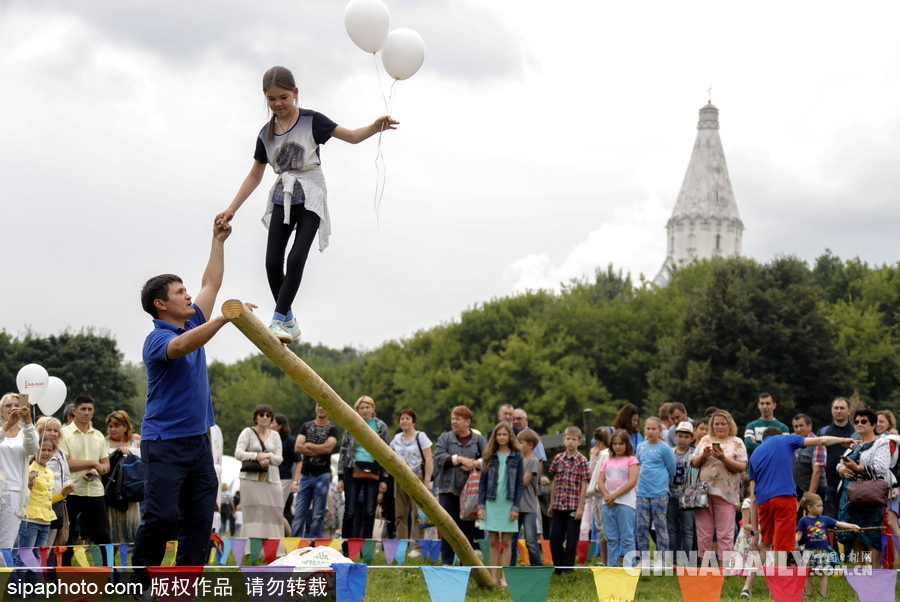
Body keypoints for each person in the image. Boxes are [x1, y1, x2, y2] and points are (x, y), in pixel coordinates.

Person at [216, 65, 398, 343]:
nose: (278, 104)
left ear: (295, 93)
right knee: (271, 262)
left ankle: (278, 320)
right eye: (271, 99)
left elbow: (349, 136)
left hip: (311, 193)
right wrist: (232, 208)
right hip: (282, 196)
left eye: (283, 97)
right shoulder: (265, 133)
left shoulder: (312, 121)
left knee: (297, 256)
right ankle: (288, 319)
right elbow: (255, 174)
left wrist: (375, 127)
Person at [133, 218, 246, 572]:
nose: (188, 296)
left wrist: (218, 241)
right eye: (179, 292)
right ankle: (139, 582)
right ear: (160, 304)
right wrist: (223, 319)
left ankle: (185, 585)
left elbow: (211, 282)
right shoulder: (157, 338)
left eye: (186, 290)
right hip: (164, 444)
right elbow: (182, 346)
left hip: (198, 444)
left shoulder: (194, 320)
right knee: (162, 517)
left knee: (200, 520)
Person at [748, 426, 855, 567]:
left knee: (765, 542)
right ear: (780, 434)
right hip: (784, 497)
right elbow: (822, 440)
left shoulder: (755, 453)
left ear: (763, 440)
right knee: (782, 546)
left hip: (763, 501)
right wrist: (842, 440)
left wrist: (755, 533)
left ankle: (747, 587)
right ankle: (777, 587)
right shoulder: (786, 439)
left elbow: (752, 497)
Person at [836, 408, 892, 567]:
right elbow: (840, 463)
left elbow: (881, 467)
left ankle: (874, 569)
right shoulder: (855, 444)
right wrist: (841, 469)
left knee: (871, 531)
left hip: (869, 495)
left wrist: (857, 468)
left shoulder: (881, 443)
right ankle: (860, 568)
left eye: (864, 421)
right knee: (856, 531)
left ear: (873, 424)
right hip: (850, 495)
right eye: (857, 421)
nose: (859, 424)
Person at [432, 405, 487, 566]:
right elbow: (439, 458)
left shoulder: (479, 440)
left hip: (470, 494)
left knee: (467, 529)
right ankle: (447, 563)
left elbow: (489, 458)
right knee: (448, 527)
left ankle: (467, 564)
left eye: (458, 419)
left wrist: (475, 463)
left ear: (468, 421)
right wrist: (460, 460)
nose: (454, 422)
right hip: (448, 490)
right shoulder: (445, 438)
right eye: (453, 418)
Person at [690, 410, 747, 561]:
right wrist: (703, 455)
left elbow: (741, 467)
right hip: (703, 493)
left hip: (726, 493)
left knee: (725, 532)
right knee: (704, 531)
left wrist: (722, 457)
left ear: (729, 425)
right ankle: (706, 566)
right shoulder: (705, 440)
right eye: (716, 424)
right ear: (712, 425)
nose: (720, 427)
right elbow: (693, 463)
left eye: (723, 423)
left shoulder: (737, 442)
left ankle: (725, 567)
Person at [60, 395, 111, 564]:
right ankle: (62, 574)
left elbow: (106, 466)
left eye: (90, 409)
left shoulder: (98, 435)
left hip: (95, 492)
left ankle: (109, 575)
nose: (86, 413)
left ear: (94, 411)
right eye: (83, 409)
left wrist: (98, 470)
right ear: (74, 411)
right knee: (67, 536)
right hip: (71, 491)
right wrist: (92, 463)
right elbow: (65, 463)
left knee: (102, 536)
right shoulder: (64, 434)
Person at [15, 438, 76, 564]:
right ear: (34, 450)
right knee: (24, 557)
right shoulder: (28, 469)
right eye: (43, 449)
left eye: (50, 450)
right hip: (30, 520)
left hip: (46, 522)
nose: (46, 453)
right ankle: (18, 584)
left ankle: (32, 584)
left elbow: (47, 500)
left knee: (38, 556)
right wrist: (29, 482)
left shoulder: (49, 472)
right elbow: (22, 496)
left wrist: (62, 493)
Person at [477, 422, 523, 586]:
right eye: (499, 434)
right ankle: (494, 577)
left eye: (505, 434)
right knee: (493, 541)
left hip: (508, 503)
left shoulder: (517, 456)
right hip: (491, 502)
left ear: (510, 436)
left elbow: (519, 484)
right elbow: (482, 483)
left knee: (508, 541)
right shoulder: (489, 455)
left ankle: (505, 578)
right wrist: (481, 506)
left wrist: (516, 507)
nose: (502, 437)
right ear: (495, 437)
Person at [337, 396, 389, 539]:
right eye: (362, 408)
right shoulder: (351, 424)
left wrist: (384, 478)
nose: (365, 410)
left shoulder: (381, 426)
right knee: (350, 512)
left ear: (373, 409)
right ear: (357, 410)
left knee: (369, 512)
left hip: (373, 470)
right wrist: (340, 477)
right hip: (352, 469)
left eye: (368, 407)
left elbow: (387, 453)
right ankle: (346, 545)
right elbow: (343, 450)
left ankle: (366, 547)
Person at [797, 492, 859, 598]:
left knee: (823, 573)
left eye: (822, 505)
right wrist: (791, 544)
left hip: (823, 551)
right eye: (819, 506)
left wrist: (852, 526)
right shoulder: (803, 521)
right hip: (808, 552)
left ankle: (823, 594)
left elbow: (839, 523)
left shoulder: (825, 519)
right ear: (810, 508)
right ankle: (807, 593)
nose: (822, 508)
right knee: (808, 573)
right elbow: (798, 535)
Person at [235, 404, 284, 539]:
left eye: (268, 415)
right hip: (250, 479)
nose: (265, 417)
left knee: (274, 513)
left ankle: (274, 549)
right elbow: (238, 453)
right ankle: (251, 550)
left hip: (272, 479)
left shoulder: (275, 436)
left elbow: (279, 459)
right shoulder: (247, 432)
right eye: (261, 415)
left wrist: (267, 456)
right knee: (252, 515)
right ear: (256, 417)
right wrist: (256, 456)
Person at [291, 403, 339, 538]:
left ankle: (314, 545)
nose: (320, 408)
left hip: (322, 476)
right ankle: (295, 544)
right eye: (318, 405)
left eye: (324, 405)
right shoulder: (306, 426)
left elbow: (328, 449)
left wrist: (309, 445)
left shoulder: (332, 429)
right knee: (299, 513)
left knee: (318, 514)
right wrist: (320, 449)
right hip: (305, 475)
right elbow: (298, 448)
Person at [548, 426, 590, 574]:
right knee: (555, 538)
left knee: (572, 539)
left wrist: (581, 507)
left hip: (573, 506)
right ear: (563, 440)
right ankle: (558, 566)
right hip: (559, 505)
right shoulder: (558, 459)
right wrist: (552, 502)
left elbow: (584, 484)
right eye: (568, 439)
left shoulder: (582, 460)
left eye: (574, 439)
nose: (571, 442)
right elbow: (554, 481)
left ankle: (567, 568)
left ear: (579, 441)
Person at [389, 409, 434, 544]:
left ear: (413, 421)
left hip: (417, 476)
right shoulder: (396, 439)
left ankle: (417, 546)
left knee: (417, 514)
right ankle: (401, 545)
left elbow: (429, 459)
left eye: (407, 418)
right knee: (400, 514)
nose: (404, 421)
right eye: (402, 418)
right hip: (400, 478)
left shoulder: (421, 437)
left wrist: (426, 480)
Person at [0, 393, 38, 548]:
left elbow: (32, 448)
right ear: (1, 410)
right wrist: (7, 426)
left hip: (14, 492)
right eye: (8, 405)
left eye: (17, 405)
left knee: (5, 545)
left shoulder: (26, 432)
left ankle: (4, 572)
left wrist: (28, 421)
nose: (13, 408)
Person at [598, 429, 640, 568]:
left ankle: (630, 567)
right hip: (608, 505)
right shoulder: (607, 461)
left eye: (621, 443)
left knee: (627, 537)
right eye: (615, 444)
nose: (617, 446)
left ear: (626, 444)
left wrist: (613, 495)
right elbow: (600, 481)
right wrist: (606, 496)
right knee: (612, 538)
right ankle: (612, 567)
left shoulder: (632, 460)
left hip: (625, 504)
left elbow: (632, 482)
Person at [635, 417, 676, 554]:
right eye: (648, 428)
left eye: (654, 429)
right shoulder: (640, 446)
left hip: (659, 492)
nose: (650, 431)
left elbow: (672, 469)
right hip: (642, 492)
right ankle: (643, 558)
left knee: (660, 526)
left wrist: (660, 480)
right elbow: (639, 464)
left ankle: (663, 559)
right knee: (641, 527)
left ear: (660, 430)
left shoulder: (665, 448)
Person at [105, 410, 142, 544]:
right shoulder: (103, 443)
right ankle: (110, 564)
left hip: (131, 493)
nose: (113, 429)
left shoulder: (135, 444)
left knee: (132, 534)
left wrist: (131, 453)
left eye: (116, 426)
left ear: (125, 427)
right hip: (111, 493)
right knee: (110, 534)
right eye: (110, 426)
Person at [35, 416, 72, 546]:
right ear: (39, 431)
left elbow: (66, 475)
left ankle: (44, 566)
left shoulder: (60, 453)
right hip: (37, 504)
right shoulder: (32, 451)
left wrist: (67, 487)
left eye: (56, 430)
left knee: (49, 544)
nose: (53, 433)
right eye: (48, 430)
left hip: (57, 503)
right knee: (34, 544)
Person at [816, 397, 855, 519]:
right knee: (829, 520)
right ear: (831, 410)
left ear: (849, 411)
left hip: (851, 484)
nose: (839, 411)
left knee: (848, 519)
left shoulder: (856, 432)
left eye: (842, 408)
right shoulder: (823, 432)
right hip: (828, 484)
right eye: (836, 408)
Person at [667, 421, 696, 555]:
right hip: (671, 494)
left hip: (688, 496)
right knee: (672, 528)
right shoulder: (669, 451)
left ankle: (686, 559)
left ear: (691, 438)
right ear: (675, 436)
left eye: (686, 436)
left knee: (687, 529)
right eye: (680, 436)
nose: (683, 439)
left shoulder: (695, 453)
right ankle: (673, 557)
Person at [517, 429, 544, 566]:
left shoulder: (533, 461)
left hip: (528, 507)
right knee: (512, 539)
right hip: (516, 507)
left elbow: (524, 481)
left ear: (530, 445)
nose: (518, 445)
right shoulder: (518, 460)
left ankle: (537, 567)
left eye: (520, 442)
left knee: (531, 541)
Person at [791, 414, 826, 502]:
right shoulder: (791, 441)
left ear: (810, 426)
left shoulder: (817, 443)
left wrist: (810, 497)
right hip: (796, 490)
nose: (798, 429)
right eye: (796, 426)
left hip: (815, 491)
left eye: (801, 425)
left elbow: (817, 472)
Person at [274, 413, 301, 526]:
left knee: (278, 510)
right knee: (273, 510)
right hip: (271, 478)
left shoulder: (289, 441)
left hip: (284, 479)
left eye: (272, 422)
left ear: (280, 425)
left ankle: (287, 535)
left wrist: (295, 482)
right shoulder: (271, 439)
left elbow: (299, 461)